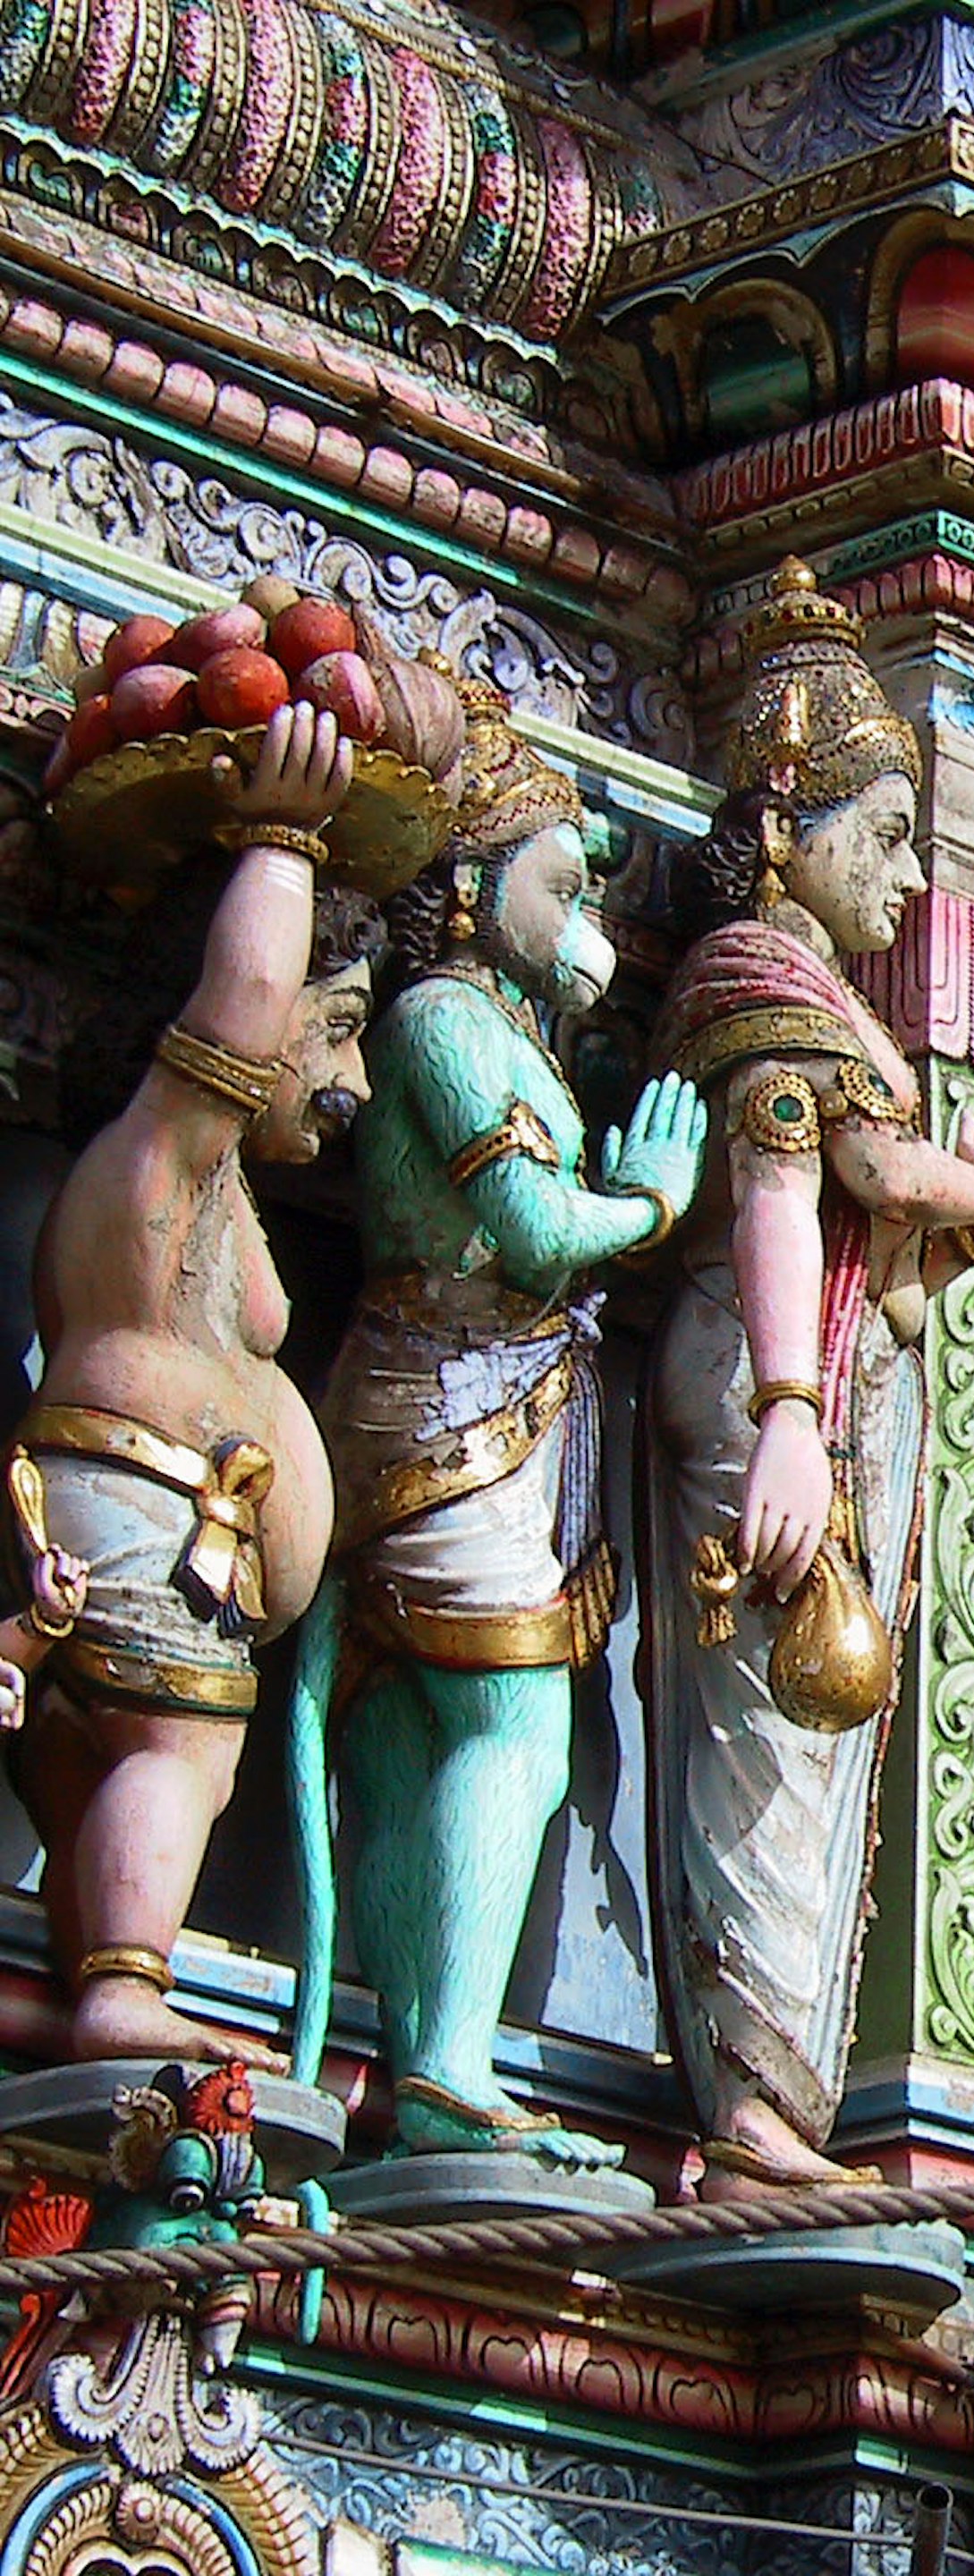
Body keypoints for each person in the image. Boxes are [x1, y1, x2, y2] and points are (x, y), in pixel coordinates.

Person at [645, 561, 974, 2196]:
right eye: (881, 835)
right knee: (765, 1736)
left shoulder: (817, 992)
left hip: (814, 1374)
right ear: (781, 822)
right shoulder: (760, 979)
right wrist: (792, 1418)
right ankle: (747, 2111)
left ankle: (782, 2105)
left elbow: (877, 1260)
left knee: (815, 1739)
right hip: (763, 1384)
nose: (904, 874)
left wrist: (946, 1250)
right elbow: (820, 1183)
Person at [307, 682, 700, 2163]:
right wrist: (650, 1206)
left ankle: (430, 2066)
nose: (588, 906)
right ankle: (455, 2058)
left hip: (475, 1411)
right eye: (564, 879)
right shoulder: (441, 1019)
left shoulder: (503, 1034)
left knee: (426, 1723)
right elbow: (533, 1232)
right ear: (474, 888)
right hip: (446, 1407)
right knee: (518, 1725)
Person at [4, 701, 375, 2063]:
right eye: (335, 1030)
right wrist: (283, 842)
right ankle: (122, 1990)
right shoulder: (151, 1162)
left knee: (137, 1768)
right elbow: (241, 1009)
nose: (351, 1079)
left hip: (162, 1545)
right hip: (140, 1528)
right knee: (175, 1754)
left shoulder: (221, 1198)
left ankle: (89, 1962)